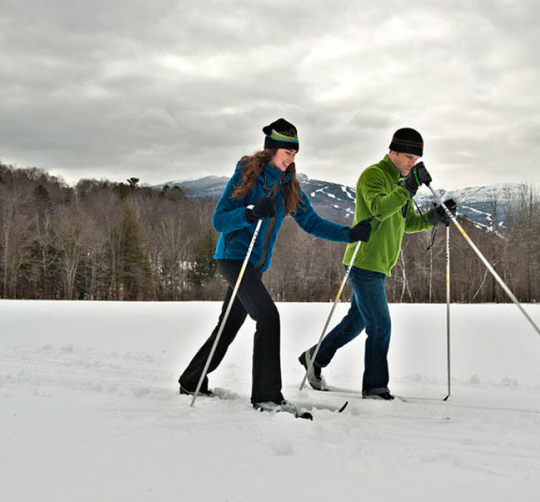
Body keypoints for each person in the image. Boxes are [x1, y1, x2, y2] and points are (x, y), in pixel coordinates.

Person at [179, 118, 372, 415]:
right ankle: (267, 396)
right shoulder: (248, 175)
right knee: (268, 317)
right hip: (233, 258)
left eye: (295, 154)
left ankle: (192, 379)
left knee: (228, 326)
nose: (291, 158)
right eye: (287, 152)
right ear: (271, 150)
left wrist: (349, 233)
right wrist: (250, 212)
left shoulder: (288, 186)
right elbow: (219, 220)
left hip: (255, 266)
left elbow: (313, 223)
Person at [299, 127, 456, 400]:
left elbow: (403, 222)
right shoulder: (373, 175)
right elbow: (380, 209)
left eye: (416, 158)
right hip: (363, 262)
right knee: (380, 325)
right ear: (392, 151)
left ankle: (314, 357)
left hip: (380, 265)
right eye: (408, 156)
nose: (412, 162)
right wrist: (408, 187)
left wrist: (434, 217)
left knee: (356, 323)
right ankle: (374, 386)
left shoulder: (401, 180)